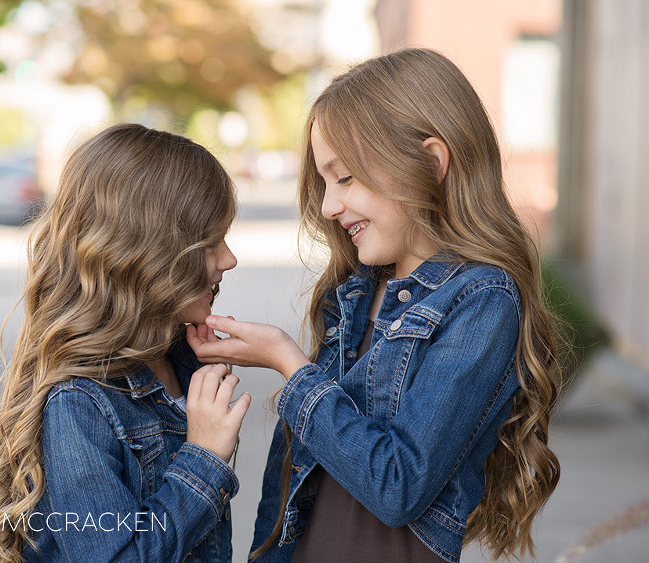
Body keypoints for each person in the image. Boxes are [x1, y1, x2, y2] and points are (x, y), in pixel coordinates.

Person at [187, 48, 561, 562]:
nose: (327, 206)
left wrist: (289, 364)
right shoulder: (354, 290)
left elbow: (397, 485)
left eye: (345, 178)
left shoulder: (482, 301)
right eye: (324, 183)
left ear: (431, 163)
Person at [0, 123, 250, 562]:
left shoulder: (181, 362)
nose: (229, 260)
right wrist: (204, 456)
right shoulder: (79, 402)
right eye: (211, 243)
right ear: (144, 254)